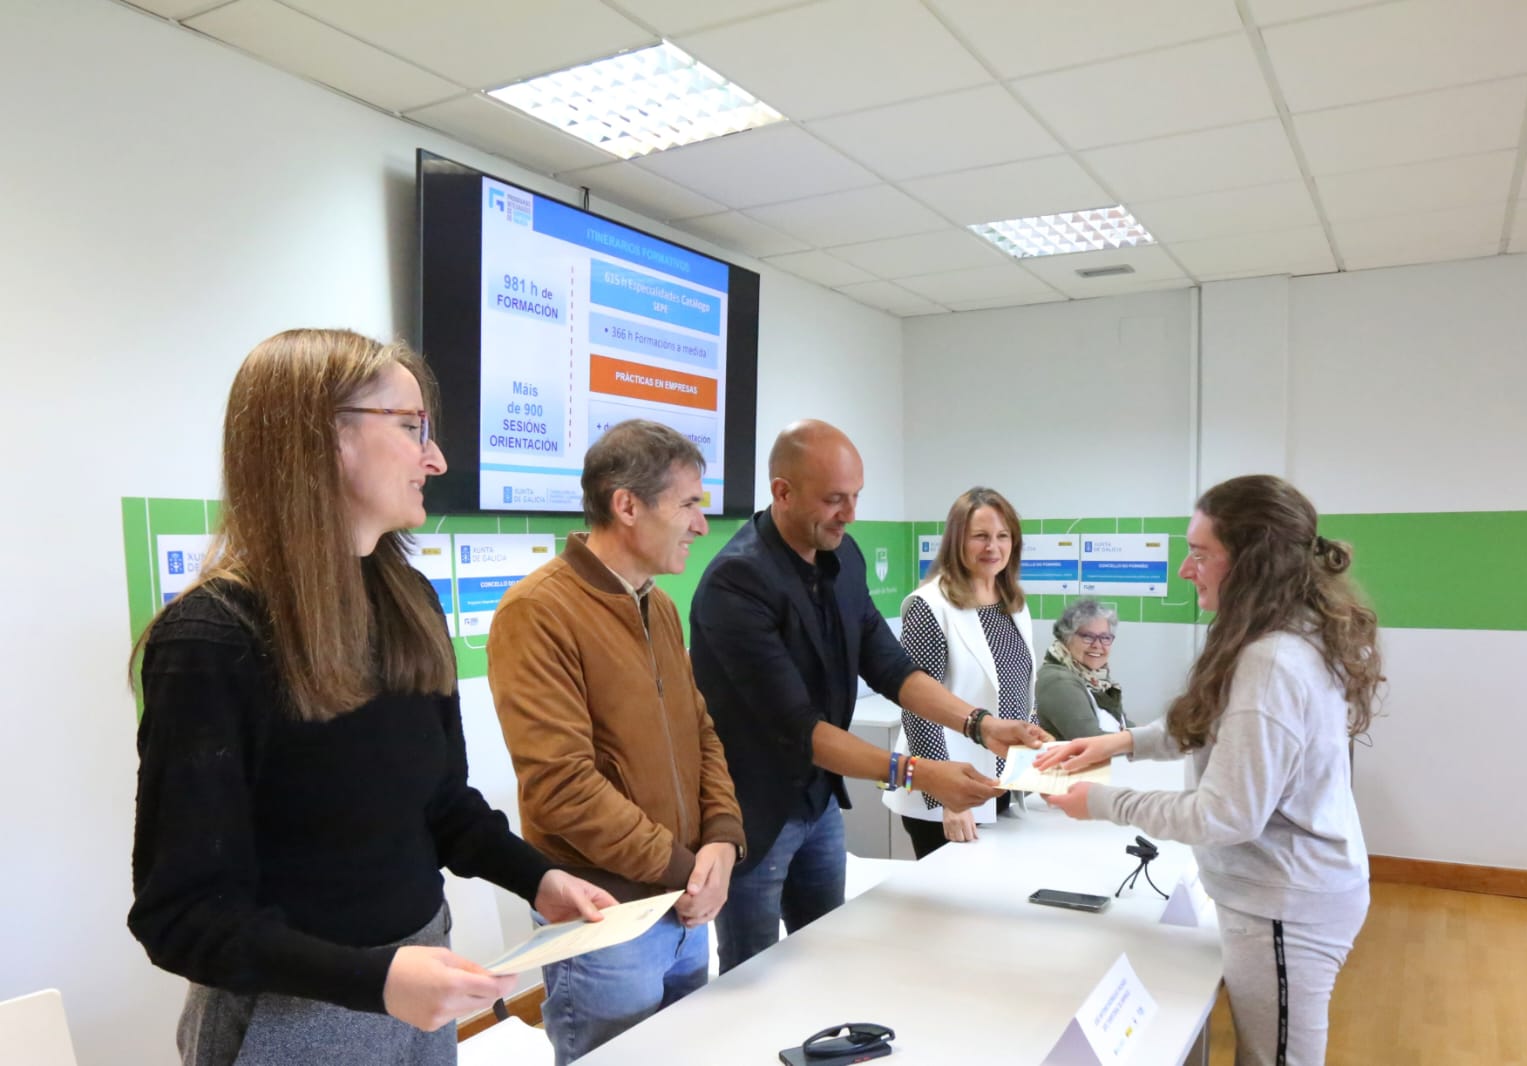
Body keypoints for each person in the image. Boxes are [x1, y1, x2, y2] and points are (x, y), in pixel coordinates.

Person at [128, 329, 615, 1066]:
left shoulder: (408, 599)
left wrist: (538, 877)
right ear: (324, 438)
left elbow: (441, 804)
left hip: (419, 984)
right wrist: (375, 980)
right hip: (293, 1017)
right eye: (412, 427)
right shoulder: (211, 638)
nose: (436, 458)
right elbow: (181, 915)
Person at [1037, 475, 1381, 1066]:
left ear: (1253, 562)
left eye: (1199, 554)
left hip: (1286, 903)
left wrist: (1098, 802)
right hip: (1287, 893)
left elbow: (1224, 814)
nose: (1182, 570)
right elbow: (1209, 720)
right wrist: (1118, 744)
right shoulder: (1280, 631)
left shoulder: (1271, 659)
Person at [690, 420, 1047, 973]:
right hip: (751, 814)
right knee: (751, 970)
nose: (850, 514)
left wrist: (979, 725)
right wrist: (925, 775)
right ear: (782, 492)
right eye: (834, 499)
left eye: (856, 497)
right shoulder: (737, 583)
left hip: (818, 801)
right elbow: (801, 729)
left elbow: (891, 668)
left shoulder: (842, 557)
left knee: (827, 951)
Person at [486, 419, 745, 1066]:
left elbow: (701, 733)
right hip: (609, 924)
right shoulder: (538, 612)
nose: (700, 524)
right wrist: (688, 871)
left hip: (684, 910)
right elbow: (561, 790)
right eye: (689, 503)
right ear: (626, 505)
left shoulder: (658, 605)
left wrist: (721, 836)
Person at [882, 488, 1036, 858]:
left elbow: (1023, 693)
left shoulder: (1011, 601)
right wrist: (950, 798)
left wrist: (1034, 771)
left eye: (1003, 536)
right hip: (947, 799)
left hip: (1000, 785)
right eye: (980, 536)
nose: (993, 547)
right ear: (956, 541)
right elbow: (918, 709)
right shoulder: (929, 607)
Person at [1035, 598, 1127, 741]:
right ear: (1067, 637)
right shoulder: (1058, 681)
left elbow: (1123, 724)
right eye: (1088, 637)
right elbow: (1091, 740)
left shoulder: (1095, 679)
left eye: (1105, 637)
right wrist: (1139, 742)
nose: (1097, 645)